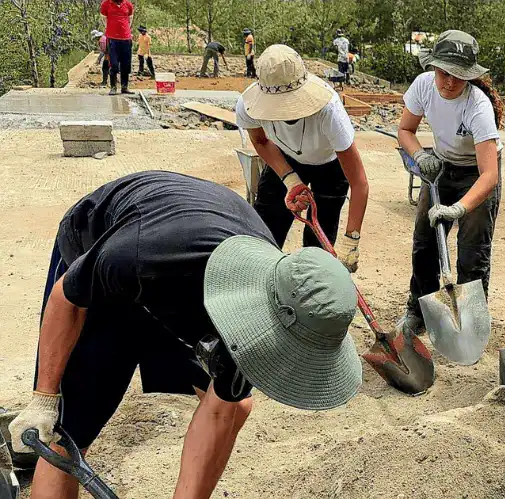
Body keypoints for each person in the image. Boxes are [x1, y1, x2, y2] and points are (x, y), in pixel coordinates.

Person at [6, 171, 362, 499]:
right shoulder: (138, 256)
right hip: (108, 256)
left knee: (236, 403)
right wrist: (44, 397)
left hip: (184, 271)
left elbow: (223, 410)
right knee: (69, 432)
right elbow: (67, 298)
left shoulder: (276, 309)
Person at [396, 30, 504, 336]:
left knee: (472, 250)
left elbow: (489, 175)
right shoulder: (423, 87)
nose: (450, 82)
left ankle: (469, 323)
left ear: (469, 76)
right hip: (441, 169)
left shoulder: (478, 106)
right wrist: (419, 155)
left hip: (477, 174)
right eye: (444, 73)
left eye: (458, 76)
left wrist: (458, 209)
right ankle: (418, 308)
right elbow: (405, 129)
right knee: (424, 242)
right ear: (433, 67)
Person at [236, 44, 368, 272]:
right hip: (284, 158)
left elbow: (359, 182)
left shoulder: (329, 110)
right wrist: (290, 180)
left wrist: (351, 240)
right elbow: (261, 142)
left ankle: (311, 289)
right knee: (265, 230)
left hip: (331, 165)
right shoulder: (247, 105)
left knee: (318, 245)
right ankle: (260, 285)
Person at [100, 0, 134, 95]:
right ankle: (113, 87)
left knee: (126, 64)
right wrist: (110, 28)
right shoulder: (106, 4)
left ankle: (124, 87)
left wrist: (126, 29)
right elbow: (103, 18)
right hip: (112, 39)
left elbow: (130, 18)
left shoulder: (128, 4)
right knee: (114, 64)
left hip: (126, 38)